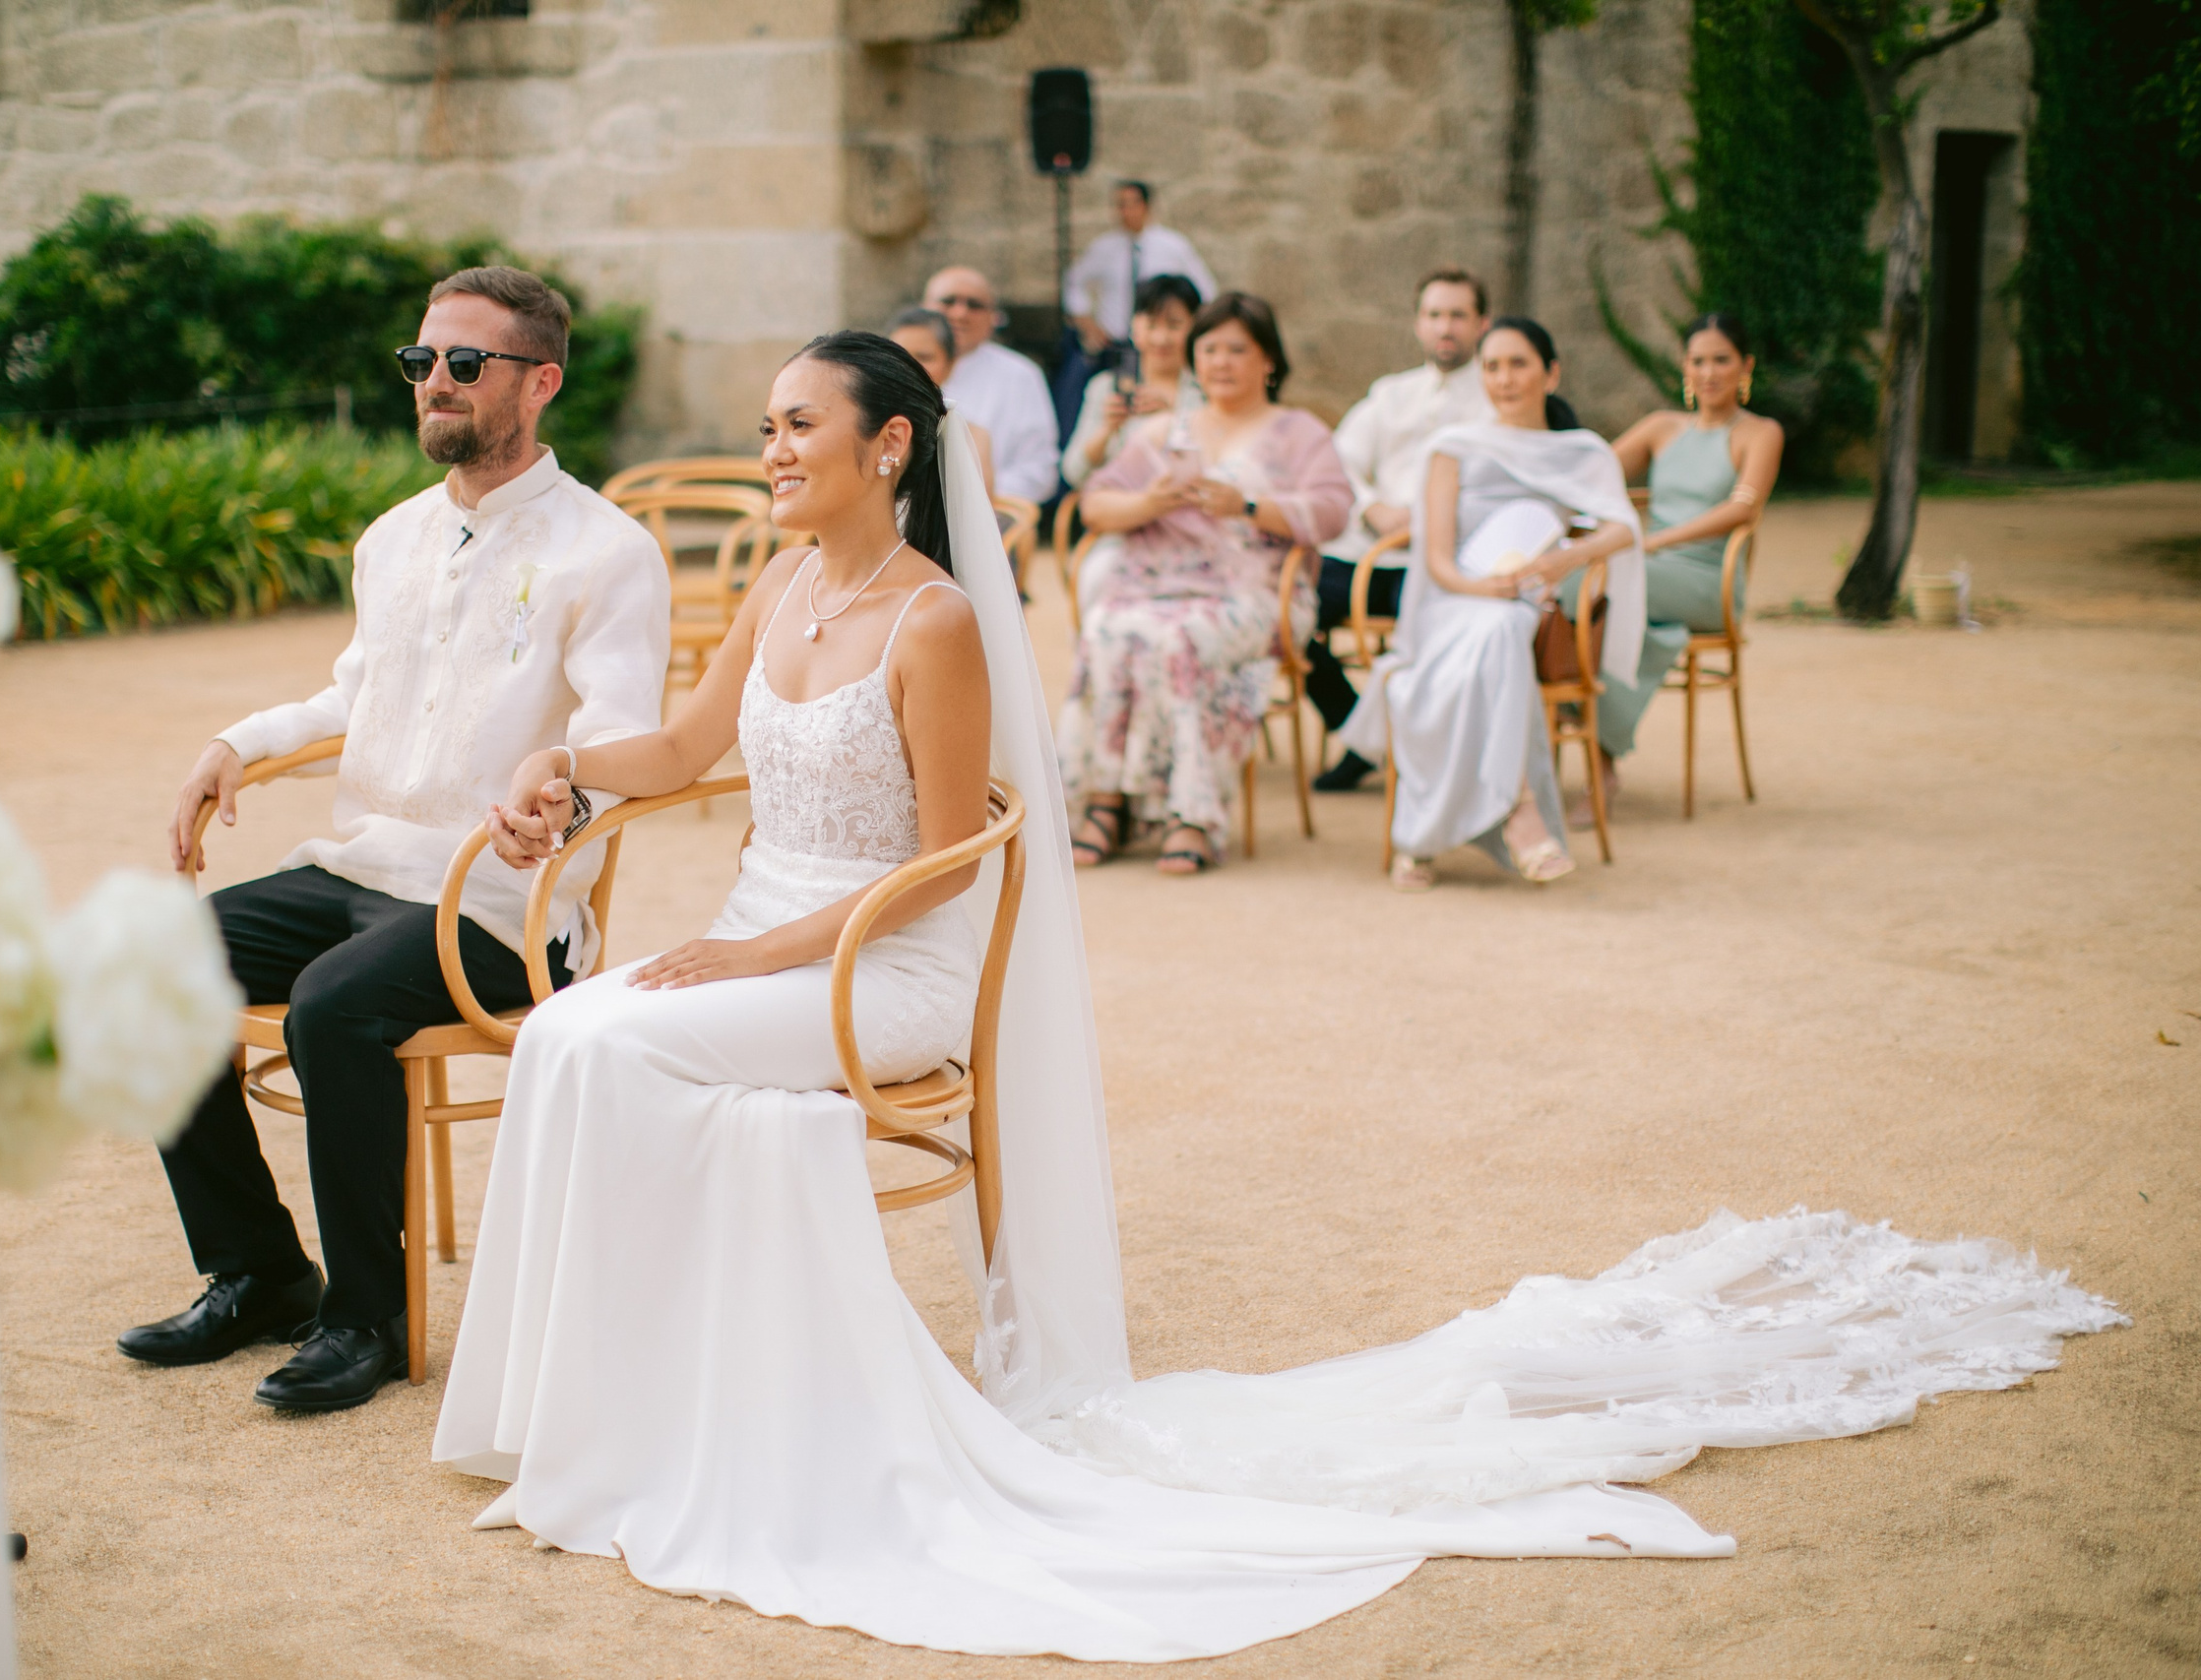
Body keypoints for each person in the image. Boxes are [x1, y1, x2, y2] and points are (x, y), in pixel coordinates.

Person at [429, 328, 2121, 1663]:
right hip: (775, 943)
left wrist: (763, 950)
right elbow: (684, 749)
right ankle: (594, 1418)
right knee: (579, 1032)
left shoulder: (933, 619)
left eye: (799, 424)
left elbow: (951, 865)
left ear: (889, 447)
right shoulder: (788, 585)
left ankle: (647, 1428)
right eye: (769, 424)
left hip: (885, 968)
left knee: (596, 1030)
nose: (772, 450)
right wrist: (563, 767)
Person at [115, 267, 669, 1413]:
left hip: (495, 908)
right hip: (362, 868)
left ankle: (368, 1316)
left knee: (332, 1002)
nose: (437, 384)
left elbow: (624, 744)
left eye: (467, 364)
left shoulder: (605, 553)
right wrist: (236, 741)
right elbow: (350, 699)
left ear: (541, 382)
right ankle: (258, 1270)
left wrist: (560, 809)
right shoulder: (394, 538)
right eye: (423, 362)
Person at [1340, 317, 1641, 893]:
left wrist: (1563, 561)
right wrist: (1481, 589)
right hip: (1453, 601)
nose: (1504, 379)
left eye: (1519, 364)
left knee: (1504, 628)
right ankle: (1520, 810)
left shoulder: (1581, 453)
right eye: (1493, 366)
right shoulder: (1453, 448)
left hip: (1527, 602)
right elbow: (1438, 559)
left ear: (1551, 373)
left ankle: (1422, 837)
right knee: (1490, 632)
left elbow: (1622, 527)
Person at [1062, 291, 1352, 874]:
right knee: (1107, 625)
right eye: (1210, 349)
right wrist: (1150, 500)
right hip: (1158, 583)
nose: (1221, 362)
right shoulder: (1169, 431)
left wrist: (1247, 504)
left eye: (1236, 350)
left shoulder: (1298, 431)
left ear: (1268, 360)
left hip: (1257, 593)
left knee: (1182, 639)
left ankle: (1191, 814)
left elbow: (1332, 511)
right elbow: (1095, 502)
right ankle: (1107, 800)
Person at [1571, 312, 1785, 827]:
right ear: (1683, 367)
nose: (1708, 372)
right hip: (1648, 572)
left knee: (1583, 582)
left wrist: (1656, 539)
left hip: (1707, 580)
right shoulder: (1662, 427)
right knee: (1592, 591)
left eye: (1721, 360)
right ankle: (1595, 754)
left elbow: (1743, 510)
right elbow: (1588, 475)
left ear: (1745, 366)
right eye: (1698, 361)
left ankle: (1573, 716)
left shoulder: (1760, 432)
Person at [1309, 266, 1495, 792]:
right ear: (1418, 324)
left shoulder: (1495, 393)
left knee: (1434, 638)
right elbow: (1338, 460)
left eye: (1458, 315)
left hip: (1443, 557)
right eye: (1435, 315)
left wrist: (1437, 520)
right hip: (1369, 547)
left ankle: (1417, 752)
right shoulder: (1390, 394)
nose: (1445, 327)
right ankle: (1360, 736)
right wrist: (1373, 509)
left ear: (1481, 323)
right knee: (1290, 613)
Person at [1057, 180, 1219, 436]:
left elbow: (1206, 291)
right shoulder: (1104, 247)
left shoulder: (1173, 245)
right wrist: (1087, 322)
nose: (1126, 211)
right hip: (1113, 343)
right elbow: (1073, 281)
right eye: (1120, 205)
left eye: (1133, 204)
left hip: (1162, 347)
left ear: (1147, 206)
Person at [922, 265, 1062, 504]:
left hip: (991, 513)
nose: (959, 314)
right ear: (924, 308)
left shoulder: (1021, 375)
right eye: (948, 301)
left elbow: (1039, 470)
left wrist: (970, 497)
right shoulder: (897, 366)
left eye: (974, 305)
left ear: (994, 317)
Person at [1059, 273, 1203, 492]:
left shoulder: (1205, 387)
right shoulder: (1107, 386)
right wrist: (1107, 429)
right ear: (1134, 327)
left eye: (1174, 326)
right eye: (1152, 325)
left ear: (1194, 328)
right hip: (1120, 512)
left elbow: (1215, 461)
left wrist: (1173, 416)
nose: (1161, 338)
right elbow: (1073, 473)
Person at [884, 305, 997, 495]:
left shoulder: (973, 436)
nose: (910, 367)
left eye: (924, 357)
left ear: (950, 363)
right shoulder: (866, 425)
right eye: (899, 356)